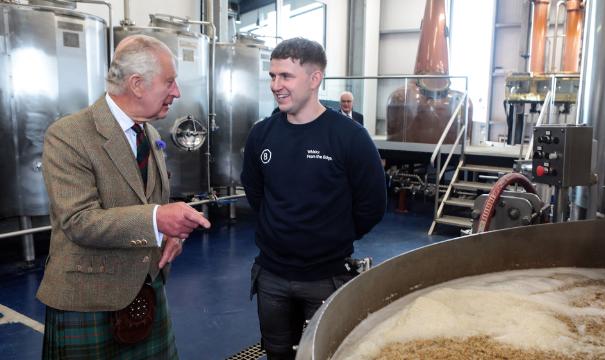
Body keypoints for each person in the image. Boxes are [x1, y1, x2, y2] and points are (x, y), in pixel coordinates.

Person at [37, 34, 211, 359]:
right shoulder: (69, 136)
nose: (177, 92)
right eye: (169, 82)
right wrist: (157, 220)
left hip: (147, 292)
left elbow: (149, 204)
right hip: (90, 301)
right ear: (137, 84)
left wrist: (169, 235)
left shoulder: (151, 133)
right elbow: (79, 221)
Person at [241, 37, 387, 360]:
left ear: (315, 78)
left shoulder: (349, 137)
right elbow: (255, 193)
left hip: (326, 277)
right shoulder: (261, 135)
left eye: (286, 76)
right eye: (272, 76)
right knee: (276, 353)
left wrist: (333, 235)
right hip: (272, 276)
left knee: (321, 354)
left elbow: (373, 203)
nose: (276, 85)